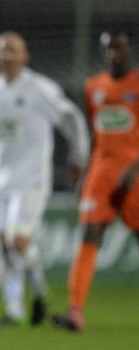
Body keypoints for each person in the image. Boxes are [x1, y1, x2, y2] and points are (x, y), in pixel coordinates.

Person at [0, 31, 89, 327]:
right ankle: (16, 308)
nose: (7, 55)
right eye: (2, 50)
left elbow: (72, 118)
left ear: (25, 55)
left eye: (12, 50)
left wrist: (78, 156)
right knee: (6, 244)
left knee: (17, 241)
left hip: (31, 178)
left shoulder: (40, 89)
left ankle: (40, 291)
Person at [52, 30, 139, 332]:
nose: (114, 54)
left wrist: (134, 167)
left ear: (129, 50)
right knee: (90, 234)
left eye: (119, 48)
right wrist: (86, 166)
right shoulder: (94, 87)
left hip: (134, 173)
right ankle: (75, 311)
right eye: (108, 49)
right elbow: (97, 132)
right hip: (102, 173)